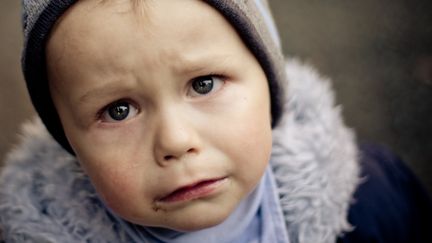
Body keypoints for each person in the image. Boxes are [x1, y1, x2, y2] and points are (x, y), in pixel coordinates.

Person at [0, 0, 431, 242]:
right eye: (119, 110)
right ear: (69, 140)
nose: (175, 140)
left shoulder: (372, 198)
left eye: (204, 84)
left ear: (268, 82)